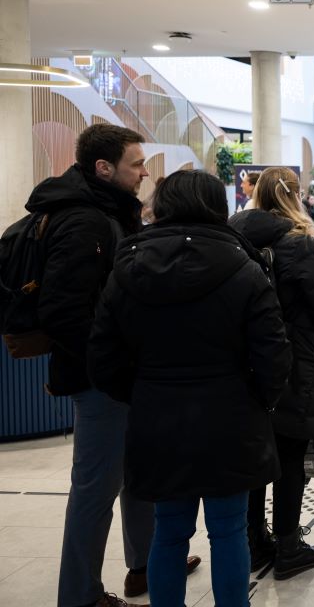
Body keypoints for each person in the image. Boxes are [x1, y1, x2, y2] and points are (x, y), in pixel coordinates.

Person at [87, 170, 290, 607]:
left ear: (161, 205)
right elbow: (274, 354)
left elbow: (102, 356)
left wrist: (142, 392)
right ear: (219, 207)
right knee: (228, 528)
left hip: (157, 416)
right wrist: (259, 400)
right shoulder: (244, 265)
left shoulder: (126, 265)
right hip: (231, 416)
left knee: (170, 528)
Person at [24, 125, 167, 607]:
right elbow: (63, 312)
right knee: (94, 489)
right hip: (102, 380)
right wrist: (109, 367)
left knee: (138, 471)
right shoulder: (84, 221)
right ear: (103, 168)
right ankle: (80, 594)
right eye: (136, 165)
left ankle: (144, 564)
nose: (145, 173)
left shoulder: (108, 210)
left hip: (123, 375)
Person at [229, 167, 314, 580]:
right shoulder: (298, 244)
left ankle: (255, 543)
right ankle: (289, 547)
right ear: (295, 195)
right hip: (294, 359)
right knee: (291, 455)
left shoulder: (232, 237)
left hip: (247, 363)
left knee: (258, 452)